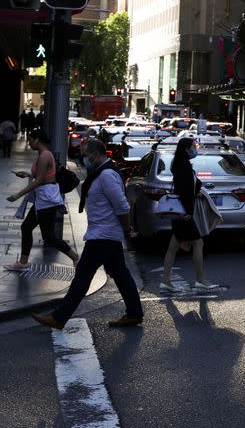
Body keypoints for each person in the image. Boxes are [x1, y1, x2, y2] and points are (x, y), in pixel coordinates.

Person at [31, 139, 144, 330]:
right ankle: (134, 313)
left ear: (95, 153)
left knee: (82, 276)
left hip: (103, 235)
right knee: (120, 273)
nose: (84, 157)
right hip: (106, 234)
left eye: (86, 153)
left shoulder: (107, 175)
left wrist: (126, 230)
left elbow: (122, 206)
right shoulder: (100, 173)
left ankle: (59, 318)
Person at [5, 129, 79, 271]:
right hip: (44, 200)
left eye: (31, 140)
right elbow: (43, 176)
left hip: (46, 200)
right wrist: (27, 174)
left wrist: (18, 194)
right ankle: (23, 262)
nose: (29, 142)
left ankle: (75, 257)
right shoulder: (44, 154)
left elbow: (40, 180)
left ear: (37, 139)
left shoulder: (45, 156)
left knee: (47, 235)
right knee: (33, 230)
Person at [160, 137, 218, 291]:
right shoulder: (182, 166)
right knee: (198, 242)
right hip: (184, 213)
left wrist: (195, 193)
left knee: (174, 246)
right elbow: (183, 191)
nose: (196, 148)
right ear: (186, 149)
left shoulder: (182, 164)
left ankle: (166, 280)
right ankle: (200, 279)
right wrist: (187, 211)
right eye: (194, 146)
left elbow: (189, 187)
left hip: (182, 212)